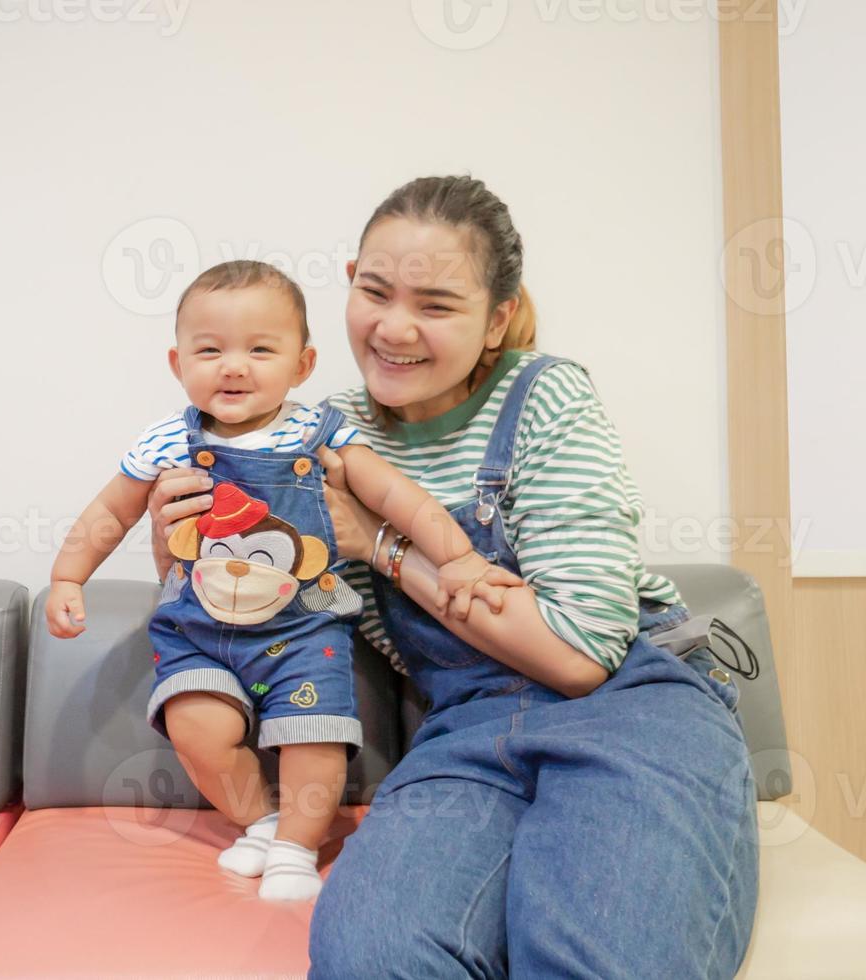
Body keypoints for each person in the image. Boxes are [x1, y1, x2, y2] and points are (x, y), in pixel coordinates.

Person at [148, 177, 759, 975]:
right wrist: (175, 546)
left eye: (435, 305)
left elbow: (577, 656)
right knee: (370, 956)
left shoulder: (544, 396)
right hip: (462, 728)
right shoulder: (316, 433)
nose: (394, 328)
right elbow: (256, 606)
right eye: (375, 292)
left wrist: (380, 545)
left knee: (595, 956)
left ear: (496, 317)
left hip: (626, 707)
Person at [47, 259, 520, 901]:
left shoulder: (320, 433)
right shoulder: (166, 443)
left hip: (304, 629)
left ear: (301, 364)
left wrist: (459, 556)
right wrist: (69, 576)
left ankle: (297, 847)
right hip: (196, 629)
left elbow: (398, 497)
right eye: (209, 349)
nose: (233, 365)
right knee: (196, 727)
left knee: (313, 736)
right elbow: (110, 511)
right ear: (176, 362)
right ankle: (262, 823)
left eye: (259, 349)